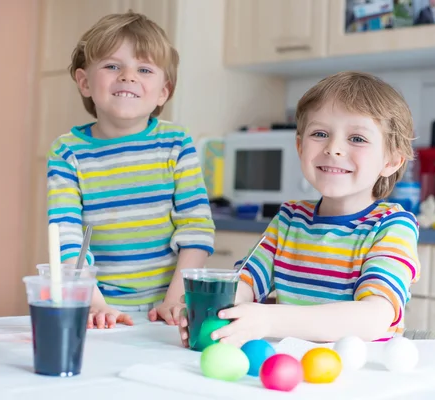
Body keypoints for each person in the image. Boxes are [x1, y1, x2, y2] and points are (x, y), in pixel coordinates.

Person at [179, 71, 420, 347]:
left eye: (357, 138)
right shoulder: (289, 219)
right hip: (292, 372)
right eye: (320, 134)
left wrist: (269, 320)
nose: (334, 148)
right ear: (299, 146)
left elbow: (374, 318)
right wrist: (214, 313)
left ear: (392, 161)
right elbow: (243, 284)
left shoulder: (392, 226)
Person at [47, 11, 214, 329]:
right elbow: (65, 236)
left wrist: (176, 300)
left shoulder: (176, 144)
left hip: (166, 309)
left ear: (163, 91)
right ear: (84, 82)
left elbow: (196, 229)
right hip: (99, 306)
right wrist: (93, 303)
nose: (128, 76)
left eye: (144, 69)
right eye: (112, 66)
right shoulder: (66, 152)